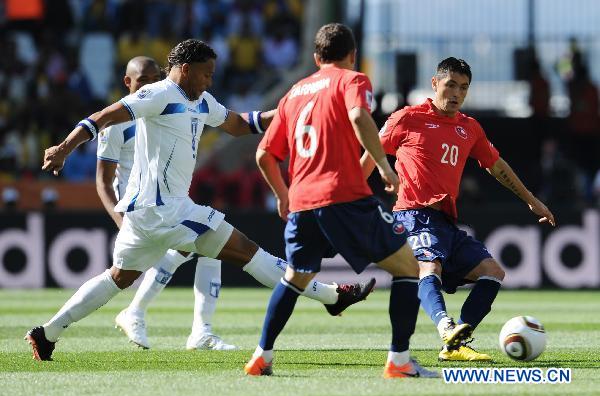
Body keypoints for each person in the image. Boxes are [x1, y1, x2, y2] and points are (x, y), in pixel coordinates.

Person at [25, 39, 375, 361]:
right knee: (246, 251)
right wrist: (63, 148)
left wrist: (289, 110)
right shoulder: (158, 95)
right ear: (187, 69)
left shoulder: (201, 101)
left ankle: (48, 333)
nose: (209, 81)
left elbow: (241, 124)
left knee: (118, 277)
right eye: (206, 74)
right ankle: (331, 296)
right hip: (164, 209)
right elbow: (100, 118)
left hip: (147, 215)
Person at [245, 23, 438, 379]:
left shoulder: (295, 92)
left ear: (317, 58)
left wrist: (283, 196)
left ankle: (261, 357)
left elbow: (263, 155)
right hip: (343, 196)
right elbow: (357, 115)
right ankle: (399, 361)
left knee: (296, 277)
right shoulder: (352, 80)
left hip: (303, 201)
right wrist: (384, 165)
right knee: (410, 268)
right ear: (352, 54)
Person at [361, 57, 556, 362]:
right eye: (450, 84)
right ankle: (445, 327)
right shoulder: (407, 118)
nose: (456, 93)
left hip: (446, 221)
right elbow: (372, 150)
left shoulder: (469, 128)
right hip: (413, 214)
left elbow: (496, 165)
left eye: (463, 88)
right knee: (429, 267)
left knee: (492, 272)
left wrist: (531, 200)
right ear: (434, 83)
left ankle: (456, 343)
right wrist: (352, 194)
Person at [96, 55, 235, 350]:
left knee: (208, 246)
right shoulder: (115, 124)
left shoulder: (167, 107)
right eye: (142, 81)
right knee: (195, 247)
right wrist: (121, 222)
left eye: (153, 79)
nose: (149, 85)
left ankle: (196, 329)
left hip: (169, 202)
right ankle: (151, 317)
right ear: (127, 82)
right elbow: (104, 181)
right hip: (140, 210)